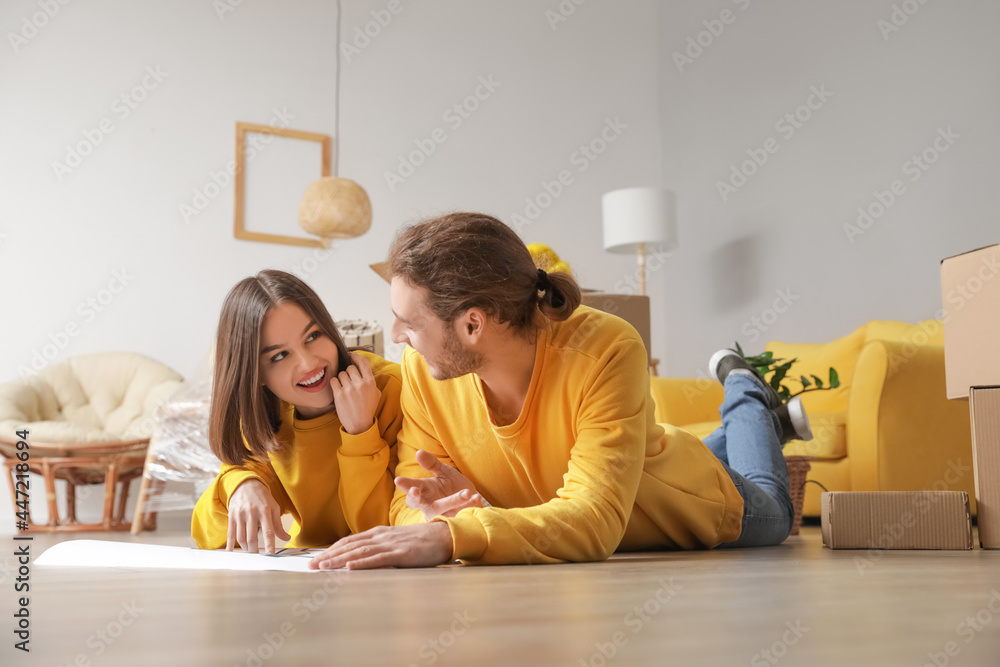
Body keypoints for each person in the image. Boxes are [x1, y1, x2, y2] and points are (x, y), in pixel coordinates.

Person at [307, 213, 810, 570]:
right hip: (631, 459)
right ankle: (757, 414)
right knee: (643, 442)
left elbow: (594, 520)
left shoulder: (607, 347)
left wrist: (454, 535)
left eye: (406, 322)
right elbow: (407, 499)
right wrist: (430, 512)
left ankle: (746, 391)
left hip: (694, 504)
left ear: (473, 324)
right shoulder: (422, 370)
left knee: (775, 512)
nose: (395, 338)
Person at [192, 270, 402, 554]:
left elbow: (383, 531)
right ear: (257, 376)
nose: (308, 363)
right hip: (307, 573)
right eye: (279, 356)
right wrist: (240, 486)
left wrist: (361, 432)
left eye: (313, 336)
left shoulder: (390, 389)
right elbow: (206, 534)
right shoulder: (269, 414)